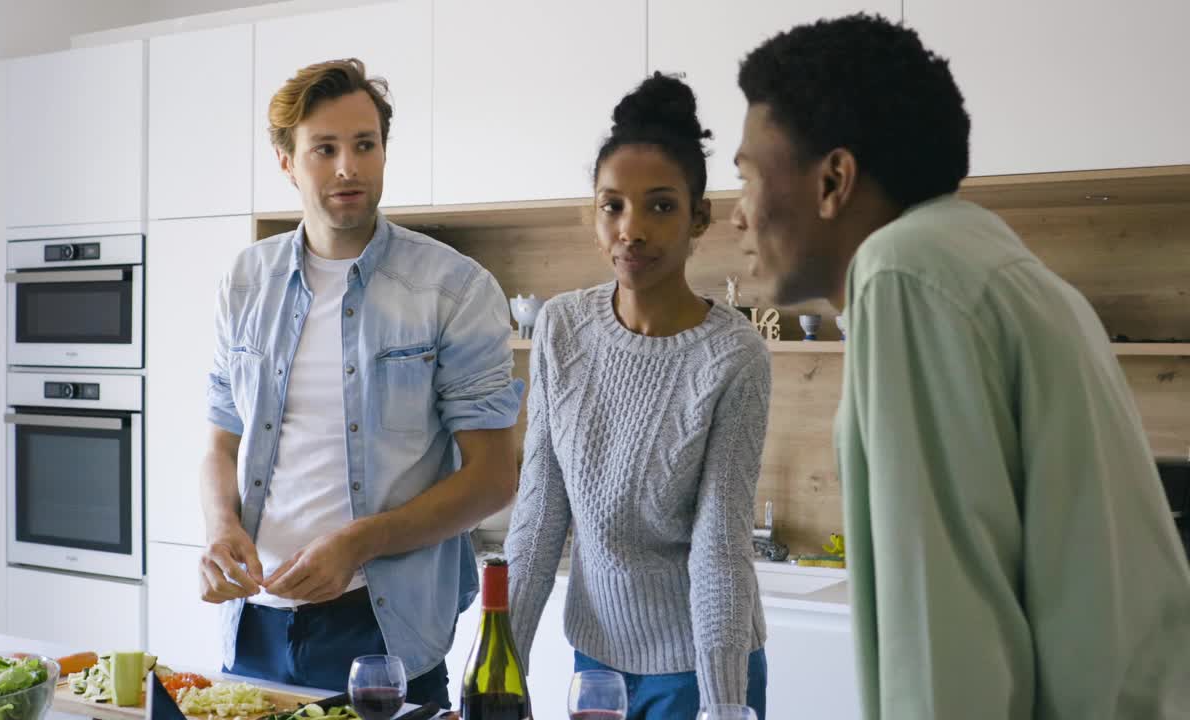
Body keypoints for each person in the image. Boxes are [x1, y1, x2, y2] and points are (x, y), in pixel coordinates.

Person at [731, 14, 1190, 718]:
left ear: (834, 181)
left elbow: (943, 636)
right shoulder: (992, 265)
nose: (736, 214)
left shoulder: (903, 274)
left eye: (748, 178)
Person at [198, 58, 523, 708]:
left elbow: (494, 475)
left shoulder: (452, 289)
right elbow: (221, 444)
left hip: (383, 627)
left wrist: (357, 542)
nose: (349, 166)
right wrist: (219, 527)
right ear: (288, 161)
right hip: (254, 624)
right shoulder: (244, 283)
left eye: (365, 145)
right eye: (325, 148)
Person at [505, 73, 771, 719]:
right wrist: (497, 665)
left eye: (659, 206)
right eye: (612, 205)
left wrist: (724, 704)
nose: (632, 230)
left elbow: (720, 548)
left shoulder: (733, 355)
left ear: (699, 216)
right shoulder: (561, 328)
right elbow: (540, 514)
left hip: (701, 667)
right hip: (595, 663)